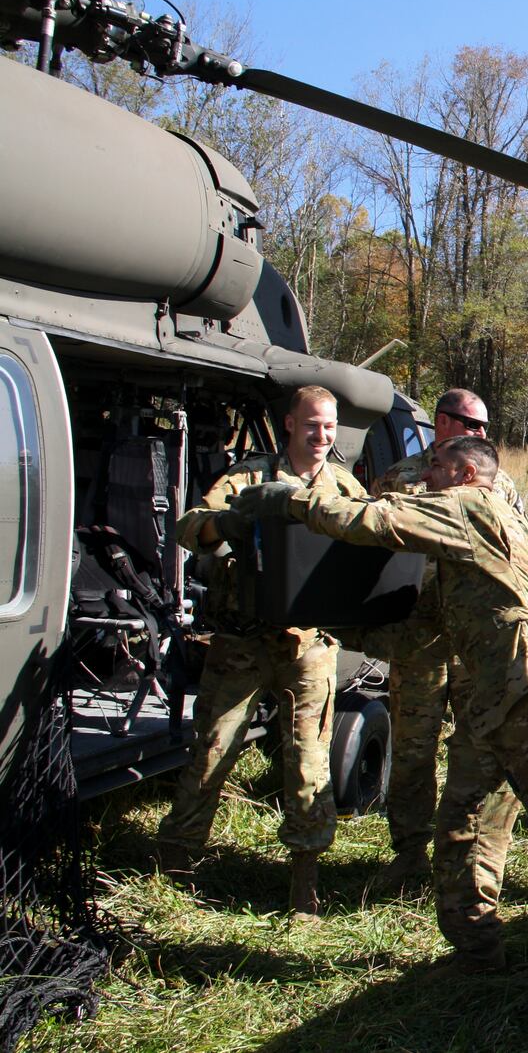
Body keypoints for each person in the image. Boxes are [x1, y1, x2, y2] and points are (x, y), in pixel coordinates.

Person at [225, 436, 528, 1007]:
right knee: (463, 831)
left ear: (465, 474)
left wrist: (289, 502)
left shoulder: (475, 507)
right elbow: (423, 633)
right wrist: (328, 624)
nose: (424, 476)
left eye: (435, 467)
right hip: (489, 703)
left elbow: (374, 519)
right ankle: (476, 952)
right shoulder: (459, 546)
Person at [155, 385, 365, 921]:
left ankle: (305, 884)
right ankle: (175, 864)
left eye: (330, 427)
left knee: (308, 764)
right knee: (212, 748)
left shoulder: (344, 486)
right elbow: (185, 528)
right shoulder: (250, 477)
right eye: (313, 425)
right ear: (291, 425)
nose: (322, 436)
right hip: (242, 638)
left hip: (309, 644)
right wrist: (224, 524)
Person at [362, 387, 527, 891]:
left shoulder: (499, 482)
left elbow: (517, 544)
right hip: (418, 638)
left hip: (474, 641)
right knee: (413, 749)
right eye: (471, 424)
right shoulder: (399, 478)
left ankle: (466, 855)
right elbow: (369, 544)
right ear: (442, 422)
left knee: (480, 745)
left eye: (483, 426)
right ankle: (409, 852)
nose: (481, 434)